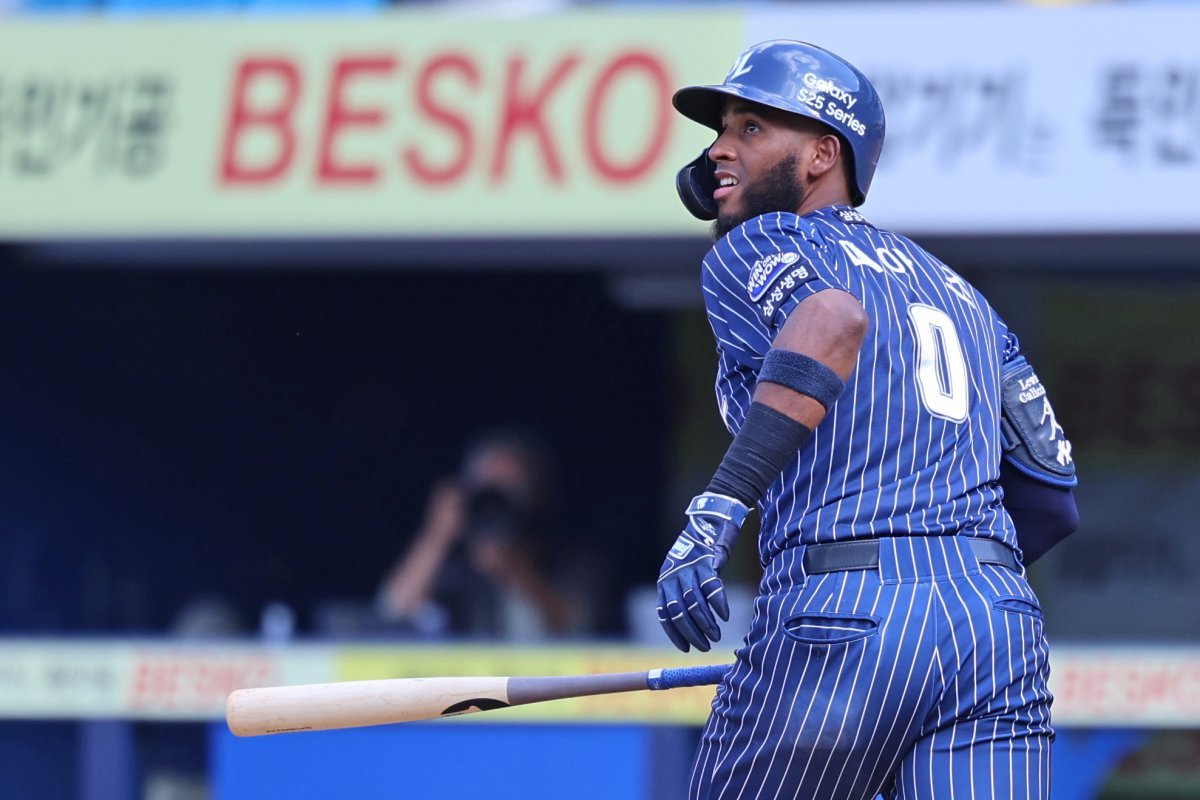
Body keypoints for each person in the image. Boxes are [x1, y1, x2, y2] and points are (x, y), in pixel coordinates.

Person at [656, 40, 1079, 799]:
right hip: (996, 623)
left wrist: (716, 513)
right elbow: (1052, 495)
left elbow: (832, 319)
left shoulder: (761, 240)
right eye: (721, 130)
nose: (718, 149)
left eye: (751, 128)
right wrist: (944, 598)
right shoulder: (963, 294)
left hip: (844, 610)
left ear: (823, 155)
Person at [376, 430, 580, 639]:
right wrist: (436, 535)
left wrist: (517, 571)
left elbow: (574, 627)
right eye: (489, 486)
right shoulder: (450, 562)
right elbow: (393, 611)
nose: (496, 501)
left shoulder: (563, 559)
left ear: (536, 496)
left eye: (511, 487)